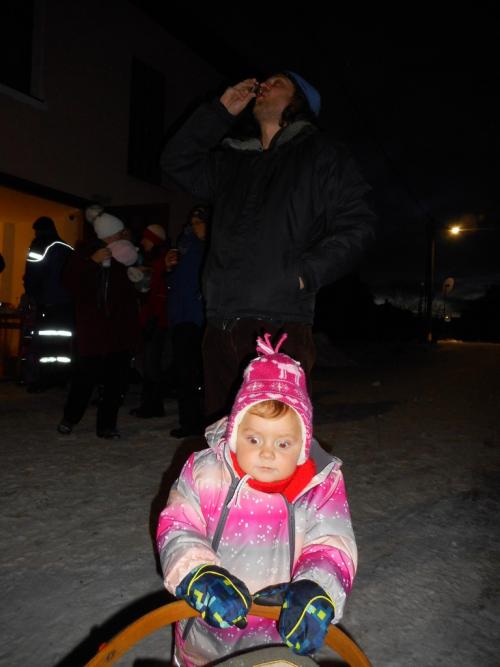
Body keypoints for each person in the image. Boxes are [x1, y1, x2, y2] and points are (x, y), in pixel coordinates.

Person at [161, 70, 376, 421]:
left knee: (271, 439)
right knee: (222, 437)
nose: (264, 86)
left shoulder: (322, 154)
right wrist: (218, 112)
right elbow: (174, 163)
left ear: (298, 102)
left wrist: (304, 274)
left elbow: (358, 224)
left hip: (280, 323)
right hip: (220, 322)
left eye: (278, 83)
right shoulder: (232, 159)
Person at [157, 333, 357, 666]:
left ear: (303, 445)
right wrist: (197, 573)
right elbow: (178, 526)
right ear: (235, 433)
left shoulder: (319, 485)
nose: (267, 453)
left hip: (280, 636)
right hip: (206, 633)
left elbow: (332, 545)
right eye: (254, 439)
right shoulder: (206, 473)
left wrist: (316, 587)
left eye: (283, 443)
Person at [57, 208, 140, 438]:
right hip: (93, 329)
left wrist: (139, 280)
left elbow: (128, 294)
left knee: (115, 381)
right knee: (84, 378)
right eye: (118, 233)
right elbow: (70, 283)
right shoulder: (84, 254)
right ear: (108, 235)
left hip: (118, 330)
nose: (122, 236)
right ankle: (70, 418)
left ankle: (107, 425)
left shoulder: (125, 255)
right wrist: (92, 263)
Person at [165, 205, 209, 438]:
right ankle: (190, 423)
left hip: (204, 317)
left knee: (205, 374)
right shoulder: (185, 245)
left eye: (199, 222)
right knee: (186, 374)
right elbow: (177, 281)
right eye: (192, 223)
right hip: (183, 318)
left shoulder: (215, 247)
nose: (195, 227)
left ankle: (209, 422)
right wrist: (168, 269)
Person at [22, 217, 74, 391]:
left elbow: (33, 273)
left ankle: (44, 379)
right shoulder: (66, 247)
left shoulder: (40, 244)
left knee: (45, 341)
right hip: (66, 303)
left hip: (47, 301)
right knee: (62, 341)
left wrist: (30, 294)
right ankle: (61, 377)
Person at [129, 223, 169, 418]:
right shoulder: (151, 260)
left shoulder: (160, 262)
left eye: (146, 238)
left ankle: (152, 405)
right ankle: (150, 404)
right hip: (151, 318)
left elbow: (157, 295)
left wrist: (154, 318)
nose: (143, 241)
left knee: (152, 364)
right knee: (149, 362)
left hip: (155, 319)